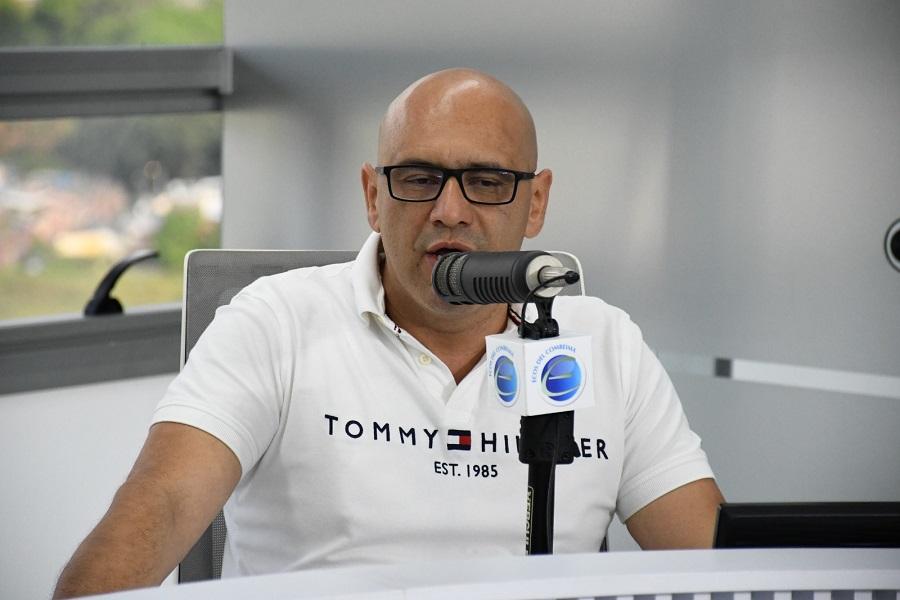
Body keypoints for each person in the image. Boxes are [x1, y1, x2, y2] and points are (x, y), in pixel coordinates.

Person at [54, 68, 724, 598]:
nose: (450, 210)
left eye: (487, 181)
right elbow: (163, 503)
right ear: (374, 196)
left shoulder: (605, 346)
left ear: (536, 201)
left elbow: (716, 565)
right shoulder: (274, 321)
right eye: (420, 179)